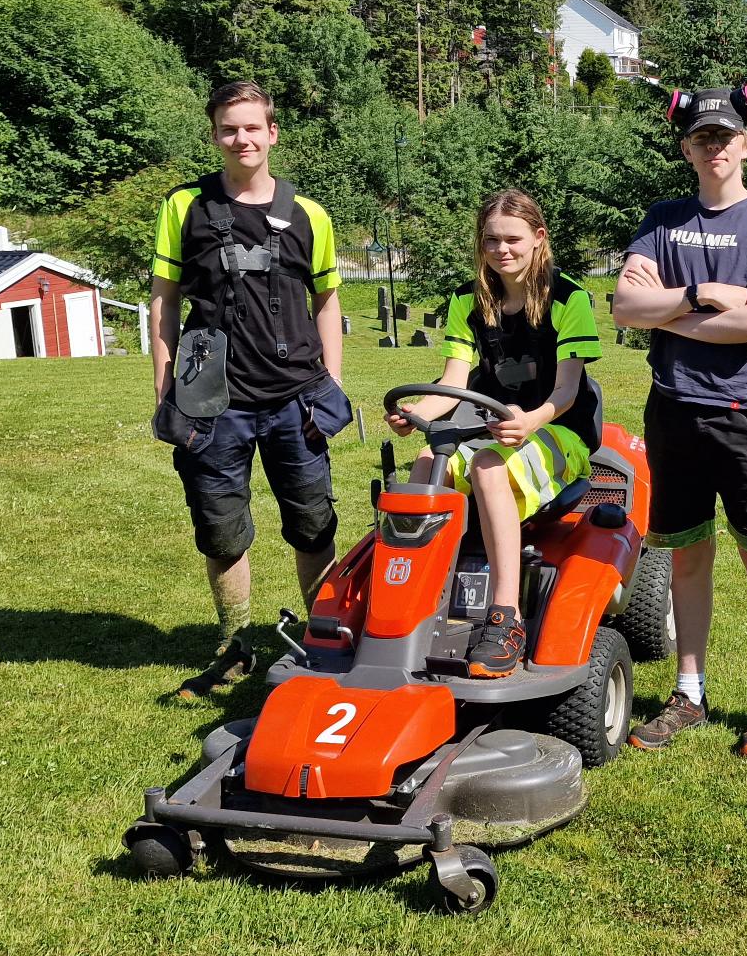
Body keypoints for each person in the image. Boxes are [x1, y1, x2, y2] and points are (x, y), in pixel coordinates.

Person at [612, 85, 747, 757]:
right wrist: (702, 293)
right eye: (701, 137)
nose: (714, 146)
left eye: (724, 136)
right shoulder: (663, 220)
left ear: (745, 144)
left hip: (745, 416)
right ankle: (688, 693)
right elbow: (624, 309)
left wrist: (668, 312)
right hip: (674, 412)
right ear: (687, 148)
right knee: (688, 558)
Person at [149, 81, 352, 698]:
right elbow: (164, 301)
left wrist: (333, 382)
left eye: (251, 127)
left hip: (296, 395)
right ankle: (235, 643)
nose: (241, 139)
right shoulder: (183, 206)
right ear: (215, 135)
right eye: (228, 129)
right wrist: (165, 386)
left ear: (272, 133)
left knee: (313, 524)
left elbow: (327, 301)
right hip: (208, 397)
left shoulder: (310, 214)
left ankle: (324, 635)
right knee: (219, 528)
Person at [387, 190, 603, 678]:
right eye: (491, 240)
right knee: (426, 463)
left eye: (513, 239)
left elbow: (567, 391)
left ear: (538, 238)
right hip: (489, 426)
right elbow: (453, 384)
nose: (501, 250)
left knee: (486, 466)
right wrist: (416, 413)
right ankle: (408, 601)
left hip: (557, 428)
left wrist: (530, 420)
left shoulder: (568, 299)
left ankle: (506, 617)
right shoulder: (468, 300)